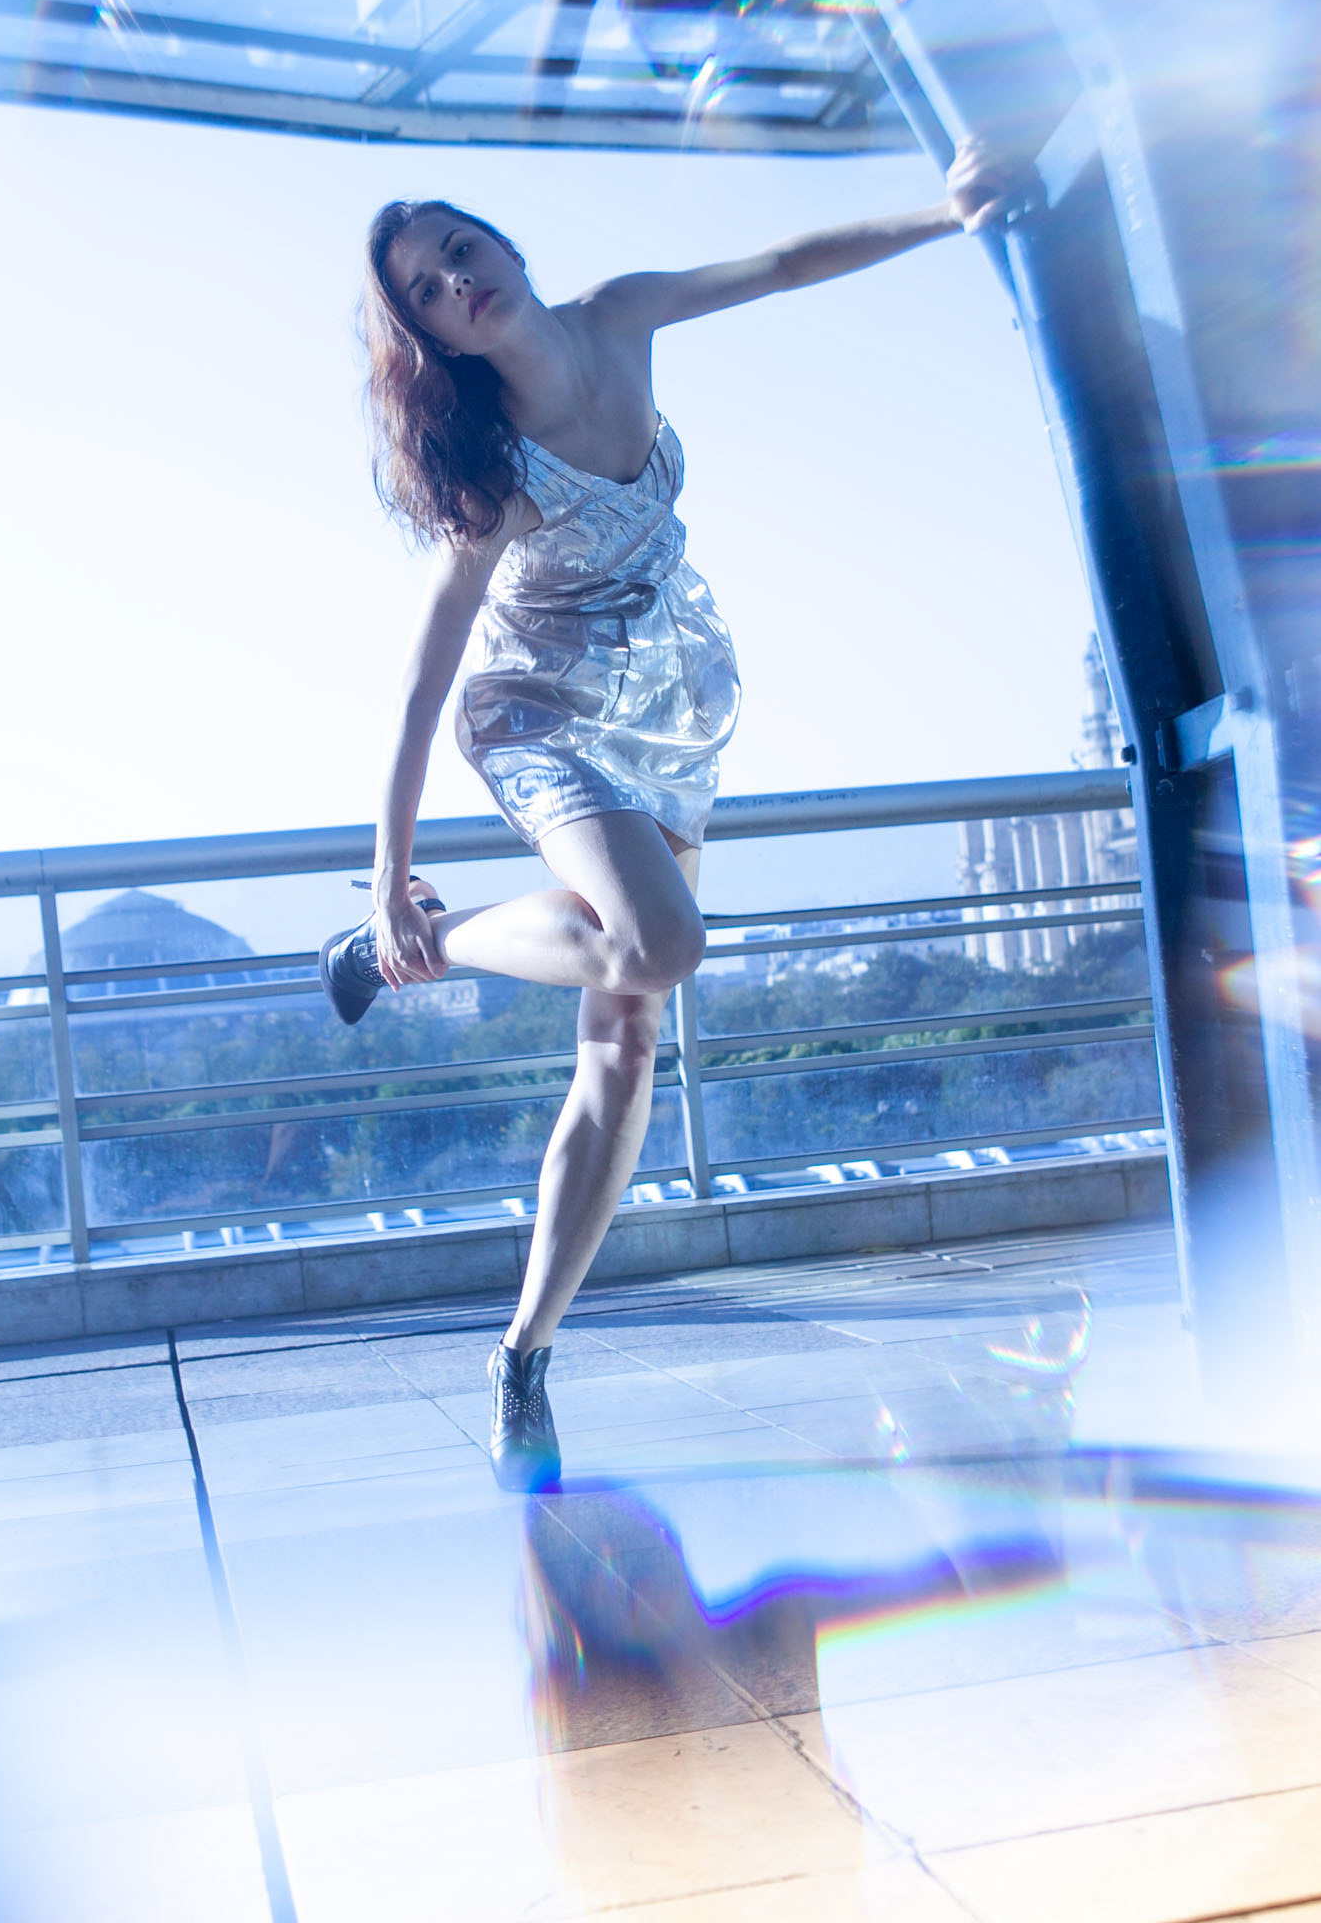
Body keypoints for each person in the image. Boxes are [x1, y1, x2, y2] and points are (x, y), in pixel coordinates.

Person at [321, 140, 1013, 1490]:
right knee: (661, 944)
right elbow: (424, 675)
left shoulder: (622, 314)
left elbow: (785, 263)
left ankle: (523, 1353)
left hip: (672, 709)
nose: (456, 281)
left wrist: (948, 211)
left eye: (460, 250)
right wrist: (389, 877)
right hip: (539, 715)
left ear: (504, 247)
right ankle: (424, 942)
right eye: (424, 290)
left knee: (624, 1039)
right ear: (429, 337)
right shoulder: (495, 467)